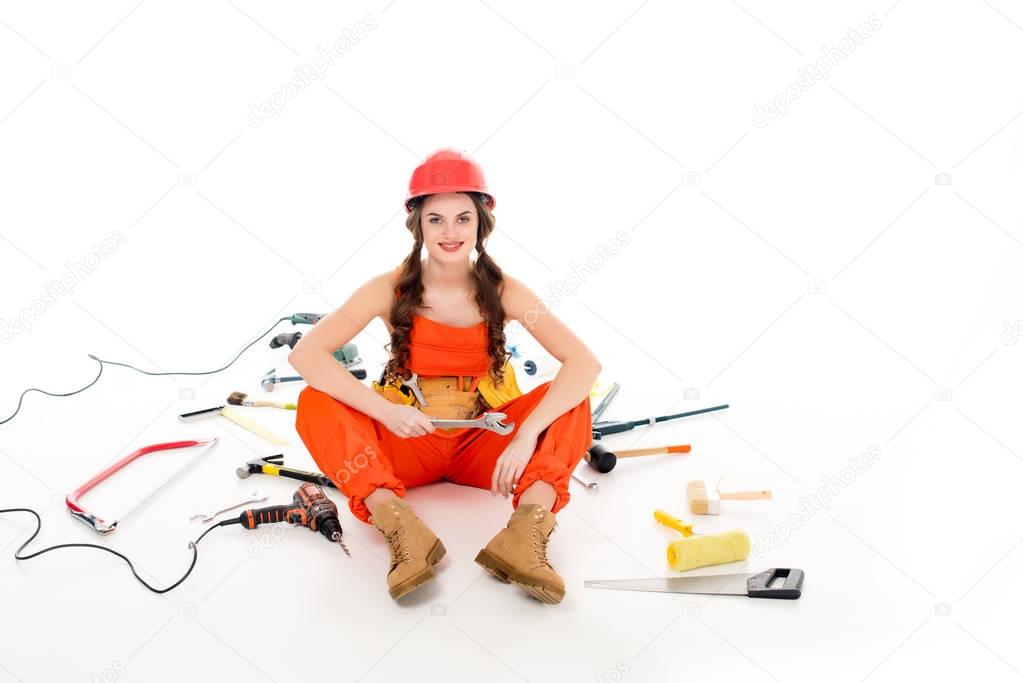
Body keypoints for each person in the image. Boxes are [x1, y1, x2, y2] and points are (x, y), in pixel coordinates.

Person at [289, 149, 600, 604]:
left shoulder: (505, 292)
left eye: (462, 218)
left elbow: (584, 364)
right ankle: (402, 530)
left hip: (483, 445)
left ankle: (524, 539)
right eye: (436, 219)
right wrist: (384, 411)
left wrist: (525, 435)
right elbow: (306, 356)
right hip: (409, 439)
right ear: (417, 223)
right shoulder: (386, 288)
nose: (450, 232)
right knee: (314, 401)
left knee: (571, 399)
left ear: (481, 221)